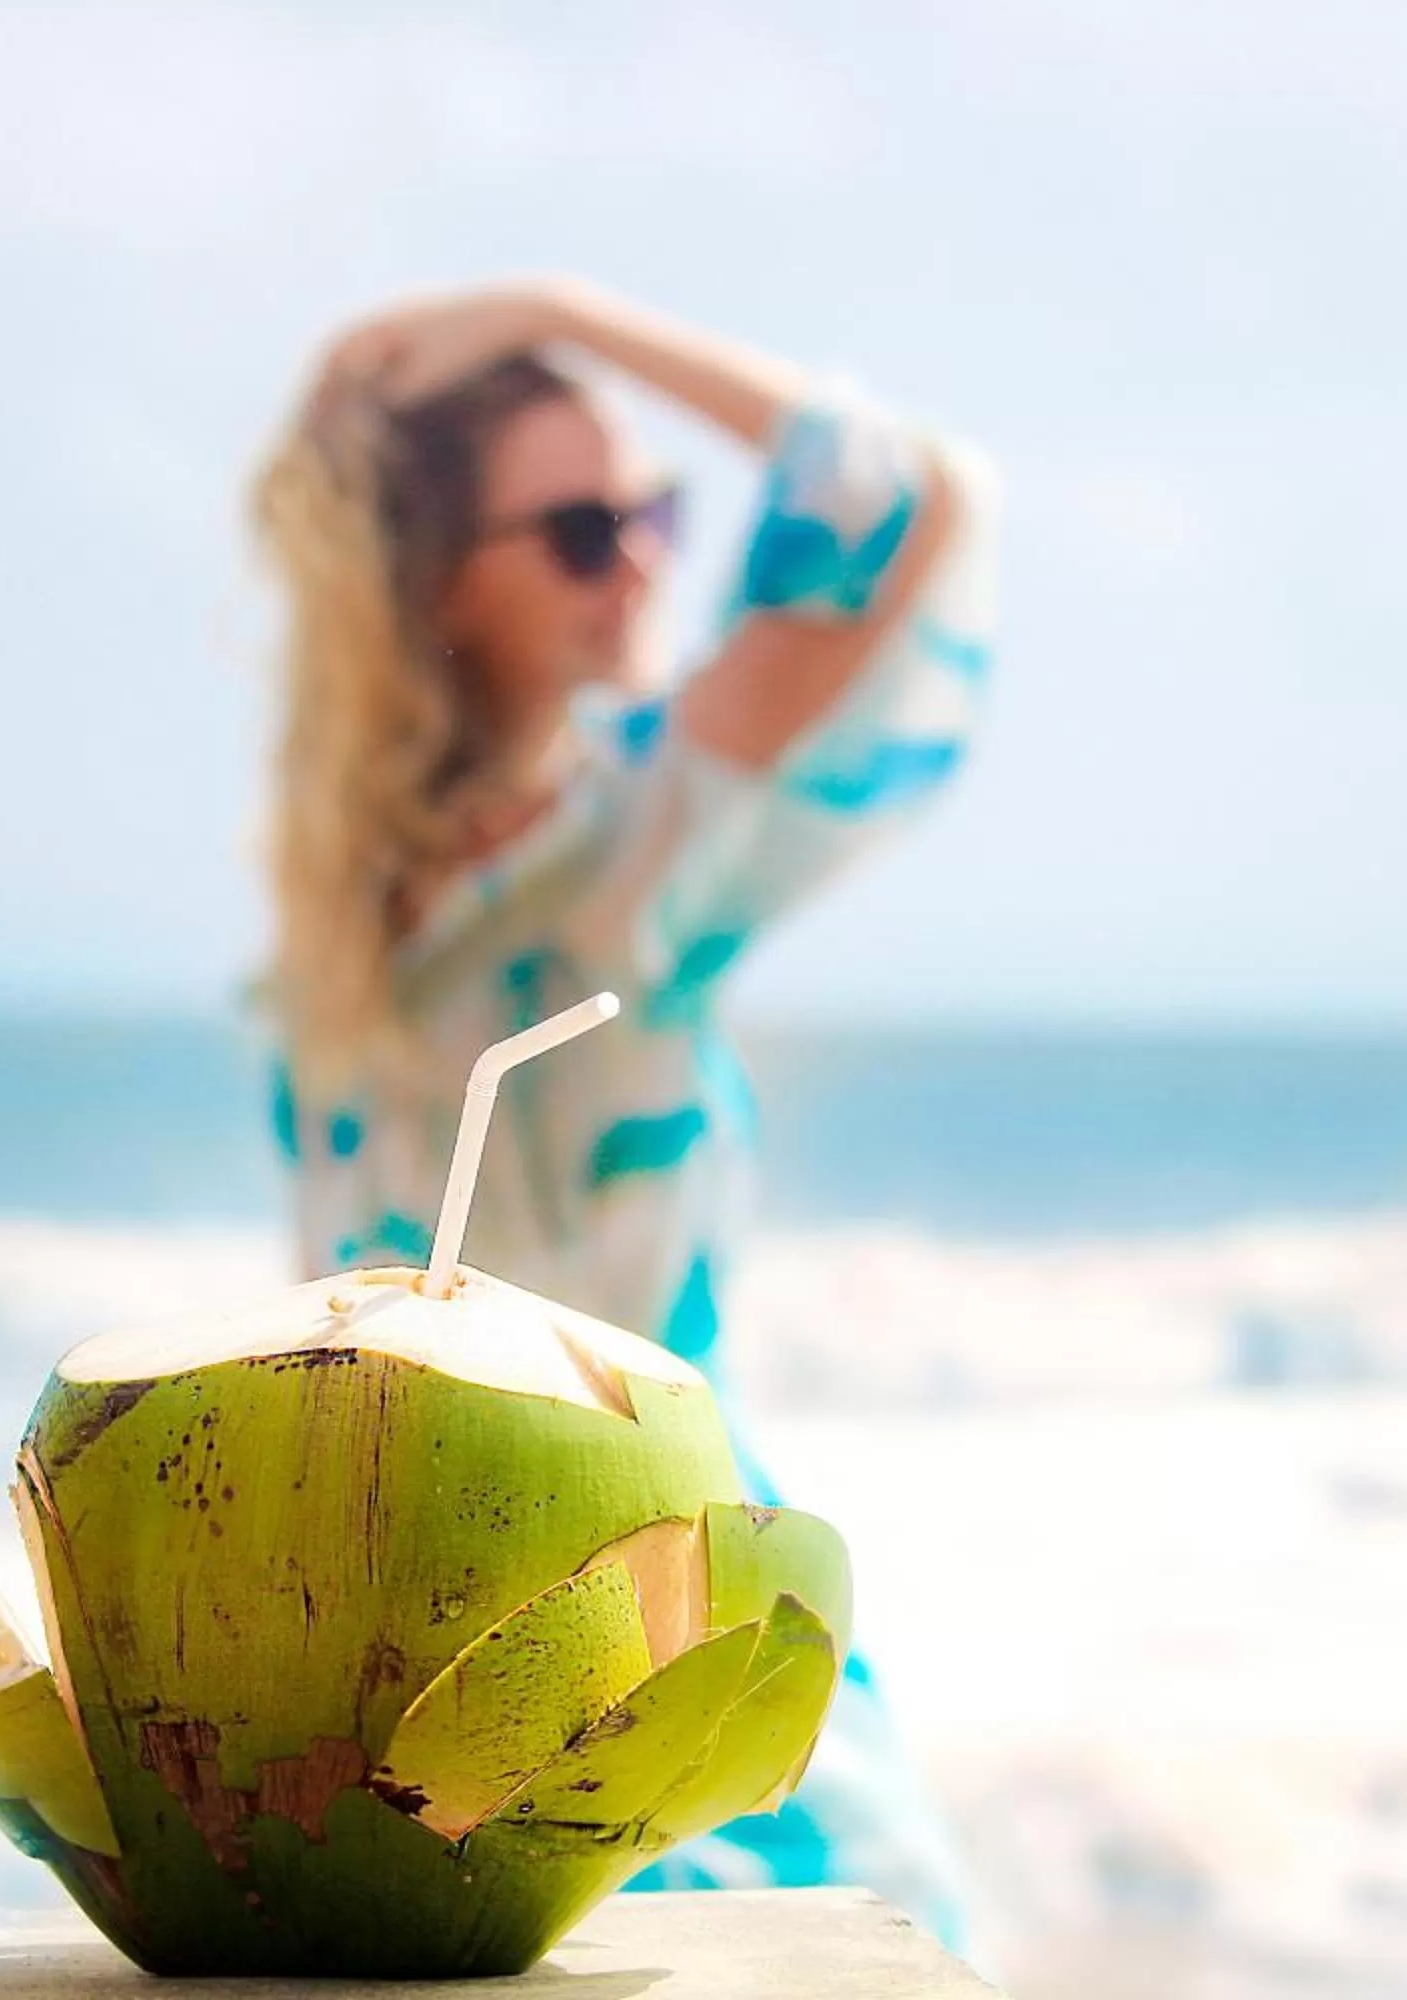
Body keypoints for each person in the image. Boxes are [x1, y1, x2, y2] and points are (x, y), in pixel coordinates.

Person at [250, 278, 995, 1945]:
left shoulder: (639, 833)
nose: (651, 555)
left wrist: (550, 308)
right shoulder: (356, 912)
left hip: (675, 1639)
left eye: (655, 508)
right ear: (432, 581)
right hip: (403, 1663)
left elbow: (913, 503)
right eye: (582, 527)